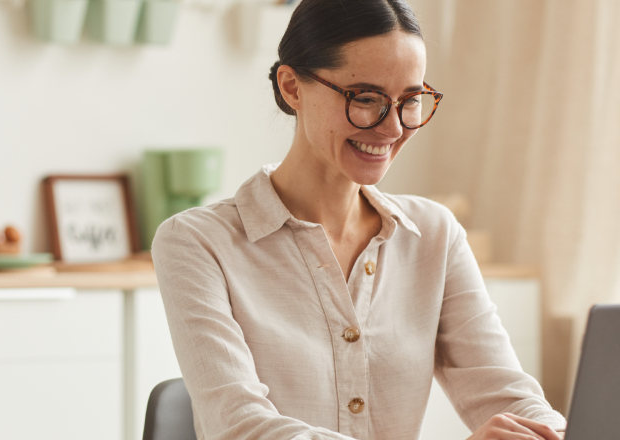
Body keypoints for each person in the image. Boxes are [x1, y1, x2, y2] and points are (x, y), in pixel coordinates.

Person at [150, 0, 565, 439]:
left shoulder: (434, 235)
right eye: (366, 98)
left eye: (410, 100)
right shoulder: (197, 243)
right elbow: (240, 427)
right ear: (291, 87)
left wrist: (555, 432)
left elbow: (507, 393)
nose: (392, 128)